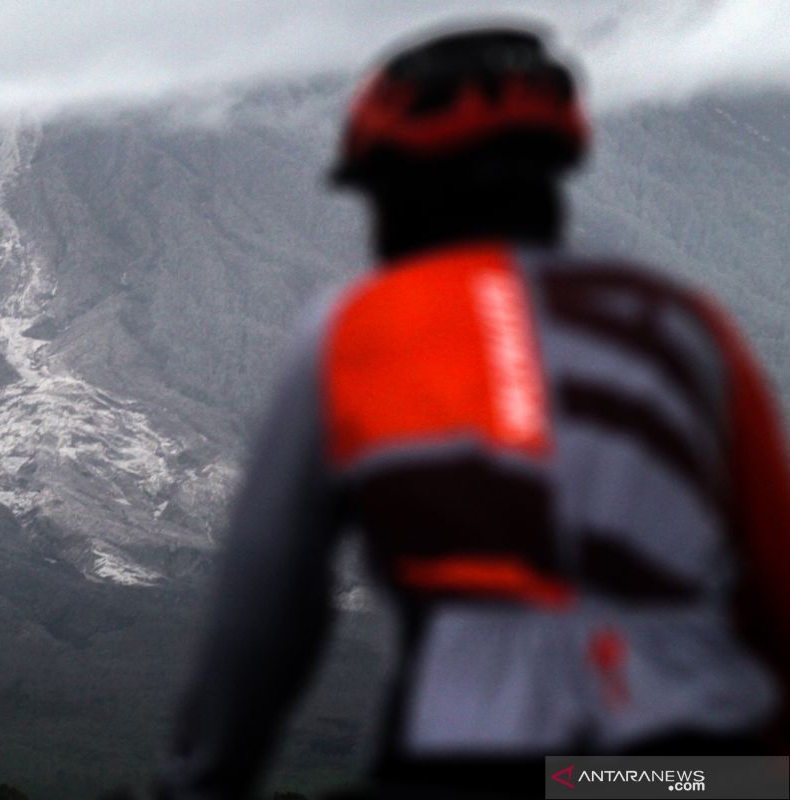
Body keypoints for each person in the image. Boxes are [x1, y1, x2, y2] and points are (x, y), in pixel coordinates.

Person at [155, 26, 790, 800]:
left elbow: (268, 597)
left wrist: (203, 780)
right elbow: (773, 566)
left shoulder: (358, 329)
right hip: (693, 771)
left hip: (487, 752)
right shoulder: (684, 327)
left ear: (407, 189)